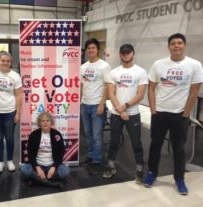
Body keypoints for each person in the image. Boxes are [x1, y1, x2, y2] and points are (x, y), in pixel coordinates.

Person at [144, 33, 203, 195]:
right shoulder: (159, 64)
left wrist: (186, 113)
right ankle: (152, 173)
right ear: (168, 47)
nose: (176, 46)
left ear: (184, 45)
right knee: (155, 145)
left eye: (179, 43)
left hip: (179, 115)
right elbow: (151, 87)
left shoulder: (194, 65)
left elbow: (194, 92)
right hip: (160, 113)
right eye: (173, 43)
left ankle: (179, 179)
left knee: (179, 148)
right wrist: (153, 109)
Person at [102, 44, 147, 184]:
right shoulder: (114, 72)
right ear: (120, 55)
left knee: (136, 143)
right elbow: (111, 93)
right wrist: (120, 110)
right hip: (117, 114)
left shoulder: (141, 72)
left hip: (132, 113)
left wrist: (125, 107)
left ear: (133, 54)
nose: (126, 55)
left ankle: (139, 168)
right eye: (123, 53)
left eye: (128, 53)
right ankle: (110, 165)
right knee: (114, 141)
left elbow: (140, 95)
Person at [80, 38, 111, 174]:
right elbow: (82, 85)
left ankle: (97, 161)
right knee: (88, 133)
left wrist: (102, 104)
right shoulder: (83, 67)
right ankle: (91, 155)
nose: (90, 50)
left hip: (97, 105)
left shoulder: (104, 66)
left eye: (93, 47)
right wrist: (80, 100)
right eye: (88, 48)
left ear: (98, 49)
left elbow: (108, 86)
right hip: (85, 104)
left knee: (97, 135)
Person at [21, 112, 70, 187]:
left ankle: (37, 180)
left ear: (51, 122)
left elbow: (61, 152)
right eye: (43, 121)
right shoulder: (34, 135)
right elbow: (30, 153)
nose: (45, 123)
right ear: (39, 123)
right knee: (24, 169)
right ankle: (51, 183)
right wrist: (37, 167)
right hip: (38, 164)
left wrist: (54, 167)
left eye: (47, 120)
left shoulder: (57, 134)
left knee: (65, 171)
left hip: (51, 164)